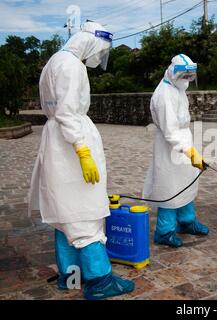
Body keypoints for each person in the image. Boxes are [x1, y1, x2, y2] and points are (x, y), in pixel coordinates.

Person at [28, 21, 134, 300]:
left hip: (58, 144)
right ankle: (100, 281)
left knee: (66, 216)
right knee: (85, 213)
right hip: (71, 147)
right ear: (91, 42)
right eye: (101, 49)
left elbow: (58, 112)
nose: (99, 56)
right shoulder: (72, 65)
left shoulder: (55, 60)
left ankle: (71, 277)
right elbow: (67, 113)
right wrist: (84, 152)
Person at [142, 54, 209, 248]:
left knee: (186, 183)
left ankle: (187, 222)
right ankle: (164, 231)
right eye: (184, 76)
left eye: (190, 77)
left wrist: (189, 150)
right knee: (169, 187)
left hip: (184, 143)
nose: (187, 80)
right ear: (173, 73)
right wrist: (189, 152)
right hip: (169, 146)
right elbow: (170, 131)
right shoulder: (164, 95)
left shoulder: (177, 89)